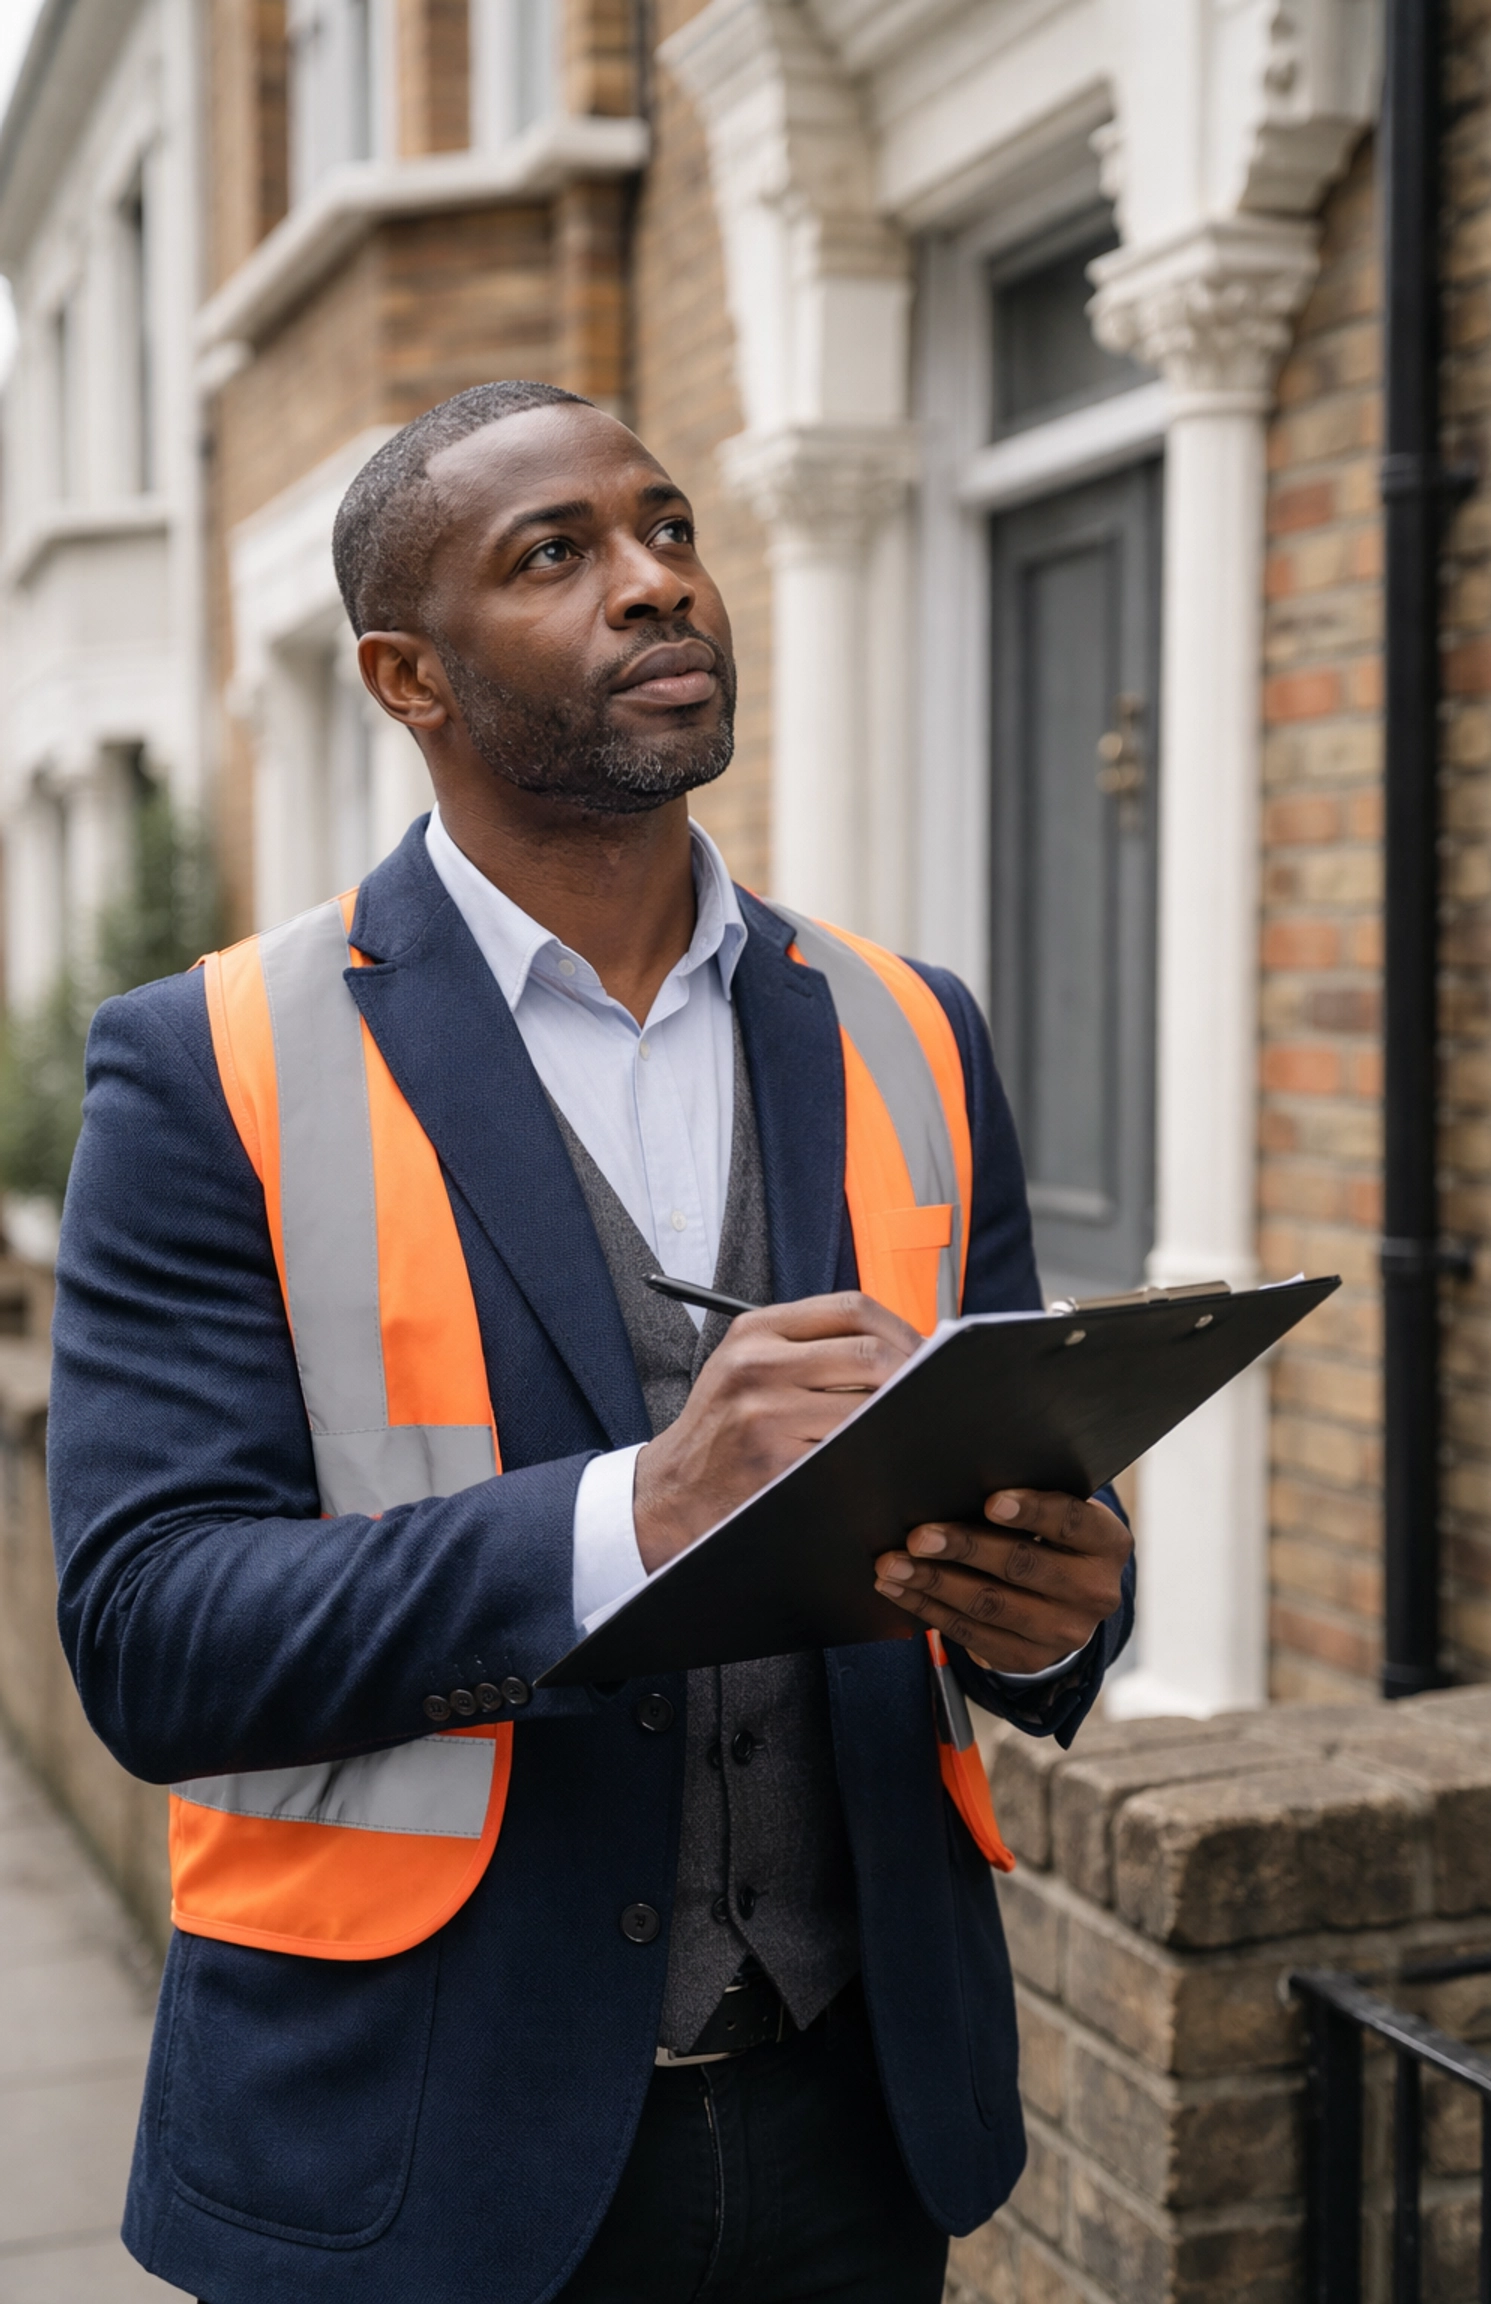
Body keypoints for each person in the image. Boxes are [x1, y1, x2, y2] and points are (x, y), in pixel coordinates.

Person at [48, 379, 1134, 2304]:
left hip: (859, 2119)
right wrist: (636, 1511)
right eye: (557, 555)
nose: (657, 587)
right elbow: (150, 1629)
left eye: (670, 528)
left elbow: (1010, 1485)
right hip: (412, 2145)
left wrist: (1056, 1613)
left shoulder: (912, 1026)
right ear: (408, 678)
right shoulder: (208, 1062)